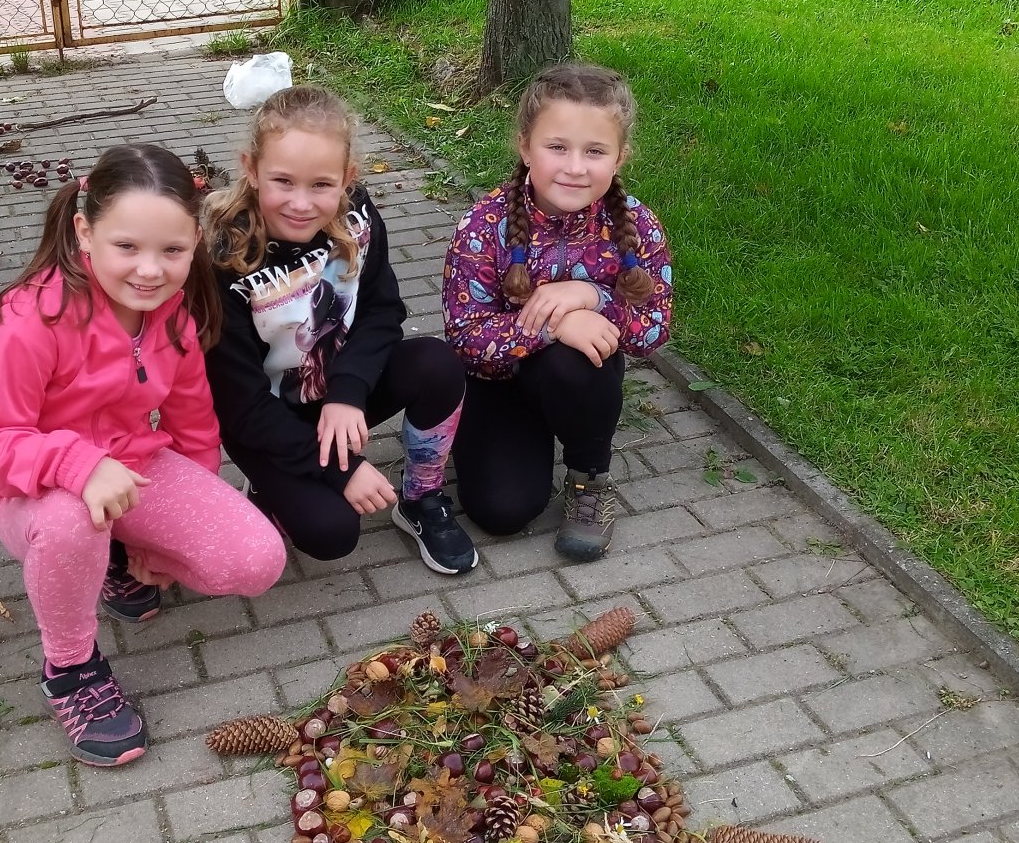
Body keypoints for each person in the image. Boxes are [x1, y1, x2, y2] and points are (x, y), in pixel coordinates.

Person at [0, 143, 286, 767]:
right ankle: (70, 668)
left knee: (257, 561)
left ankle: (114, 556)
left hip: (133, 468)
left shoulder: (173, 313)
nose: (150, 271)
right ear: (85, 233)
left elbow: (193, 428)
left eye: (173, 250)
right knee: (71, 521)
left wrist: (164, 544)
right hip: (33, 489)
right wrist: (78, 466)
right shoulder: (26, 321)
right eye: (127, 247)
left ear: (195, 241)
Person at [204, 85, 477, 573]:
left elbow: (381, 311)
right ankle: (270, 484)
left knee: (436, 364)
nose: (301, 203)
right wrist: (339, 470)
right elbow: (238, 405)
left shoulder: (358, 216)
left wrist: (347, 393)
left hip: (337, 396)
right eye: (283, 181)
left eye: (321, 185)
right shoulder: (224, 260)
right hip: (265, 418)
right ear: (251, 169)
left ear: (347, 178)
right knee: (332, 533)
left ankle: (420, 497)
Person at [442, 62, 673, 561]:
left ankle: (589, 478)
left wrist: (593, 298)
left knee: (579, 359)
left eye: (595, 151)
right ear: (525, 147)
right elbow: (465, 338)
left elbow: (654, 329)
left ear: (620, 157)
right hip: (496, 381)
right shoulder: (482, 225)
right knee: (501, 511)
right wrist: (556, 323)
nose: (575, 167)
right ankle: (470, 437)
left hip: (574, 378)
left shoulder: (637, 226)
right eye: (557, 147)